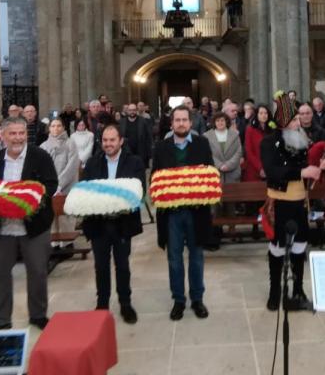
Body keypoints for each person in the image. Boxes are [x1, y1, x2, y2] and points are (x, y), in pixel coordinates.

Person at [0, 117, 58, 330]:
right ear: (3, 135)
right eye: (13, 133)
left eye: (21, 133)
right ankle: (1, 318)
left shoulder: (40, 157)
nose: (18, 138)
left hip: (34, 225)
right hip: (3, 226)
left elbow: (51, 184)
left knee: (37, 271)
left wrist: (29, 200)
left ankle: (37, 314)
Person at [261, 91, 325, 311]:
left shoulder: (302, 140)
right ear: (283, 122)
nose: (299, 122)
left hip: (299, 202)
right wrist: (302, 172)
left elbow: (309, 166)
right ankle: (275, 291)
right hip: (279, 203)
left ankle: (298, 288)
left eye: (299, 118)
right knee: (278, 248)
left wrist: (319, 168)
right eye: (295, 119)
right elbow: (272, 171)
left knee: (299, 247)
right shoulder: (268, 142)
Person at [152, 106, 215, 321]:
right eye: (177, 120)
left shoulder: (202, 144)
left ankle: (197, 298)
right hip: (172, 214)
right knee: (174, 258)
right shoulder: (160, 147)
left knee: (196, 257)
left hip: (196, 212)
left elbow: (209, 172)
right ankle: (179, 300)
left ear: (190, 123)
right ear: (172, 124)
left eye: (184, 120)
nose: (180, 123)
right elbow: (155, 178)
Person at [80, 125, 145, 324]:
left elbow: (138, 190)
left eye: (112, 140)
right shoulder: (92, 163)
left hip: (122, 223)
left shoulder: (134, 162)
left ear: (121, 141)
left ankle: (125, 303)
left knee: (122, 265)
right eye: (105, 140)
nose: (108, 144)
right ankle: (102, 304)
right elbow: (87, 190)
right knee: (100, 266)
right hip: (98, 223)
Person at [40, 117, 80, 253]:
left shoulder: (70, 143)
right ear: (49, 128)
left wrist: (60, 184)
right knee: (52, 214)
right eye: (53, 126)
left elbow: (72, 165)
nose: (56, 128)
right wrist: (51, 185)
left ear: (63, 127)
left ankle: (67, 243)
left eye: (58, 126)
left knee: (66, 215)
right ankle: (54, 243)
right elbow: (42, 168)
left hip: (67, 185)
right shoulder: (44, 146)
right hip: (51, 187)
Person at [204, 112, 242, 185]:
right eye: (217, 121)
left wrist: (228, 165)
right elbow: (207, 153)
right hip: (215, 173)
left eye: (222, 120)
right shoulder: (207, 136)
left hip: (233, 173)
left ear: (226, 121)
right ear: (214, 122)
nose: (220, 123)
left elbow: (238, 152)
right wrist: (219, 165)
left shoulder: (235, 134)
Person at [243, 104, 272, 181]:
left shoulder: (272, 130)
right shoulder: (250, 129)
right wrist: (260, 167)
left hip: (270, 168)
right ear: (257, 115)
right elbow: (249, 151)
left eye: (266, 113)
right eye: (261, 113)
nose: (264, 115)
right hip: (254, 169)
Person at [119, 103, 153, 169]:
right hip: (126, 152)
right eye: (130, 110)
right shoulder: (122, 122)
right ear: (127, 111)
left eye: (134, 110)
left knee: (140, 171)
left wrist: (149, 153)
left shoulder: (143, 121)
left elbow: (148, 137)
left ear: (136, 110)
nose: (132, 112)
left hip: (141, 151)